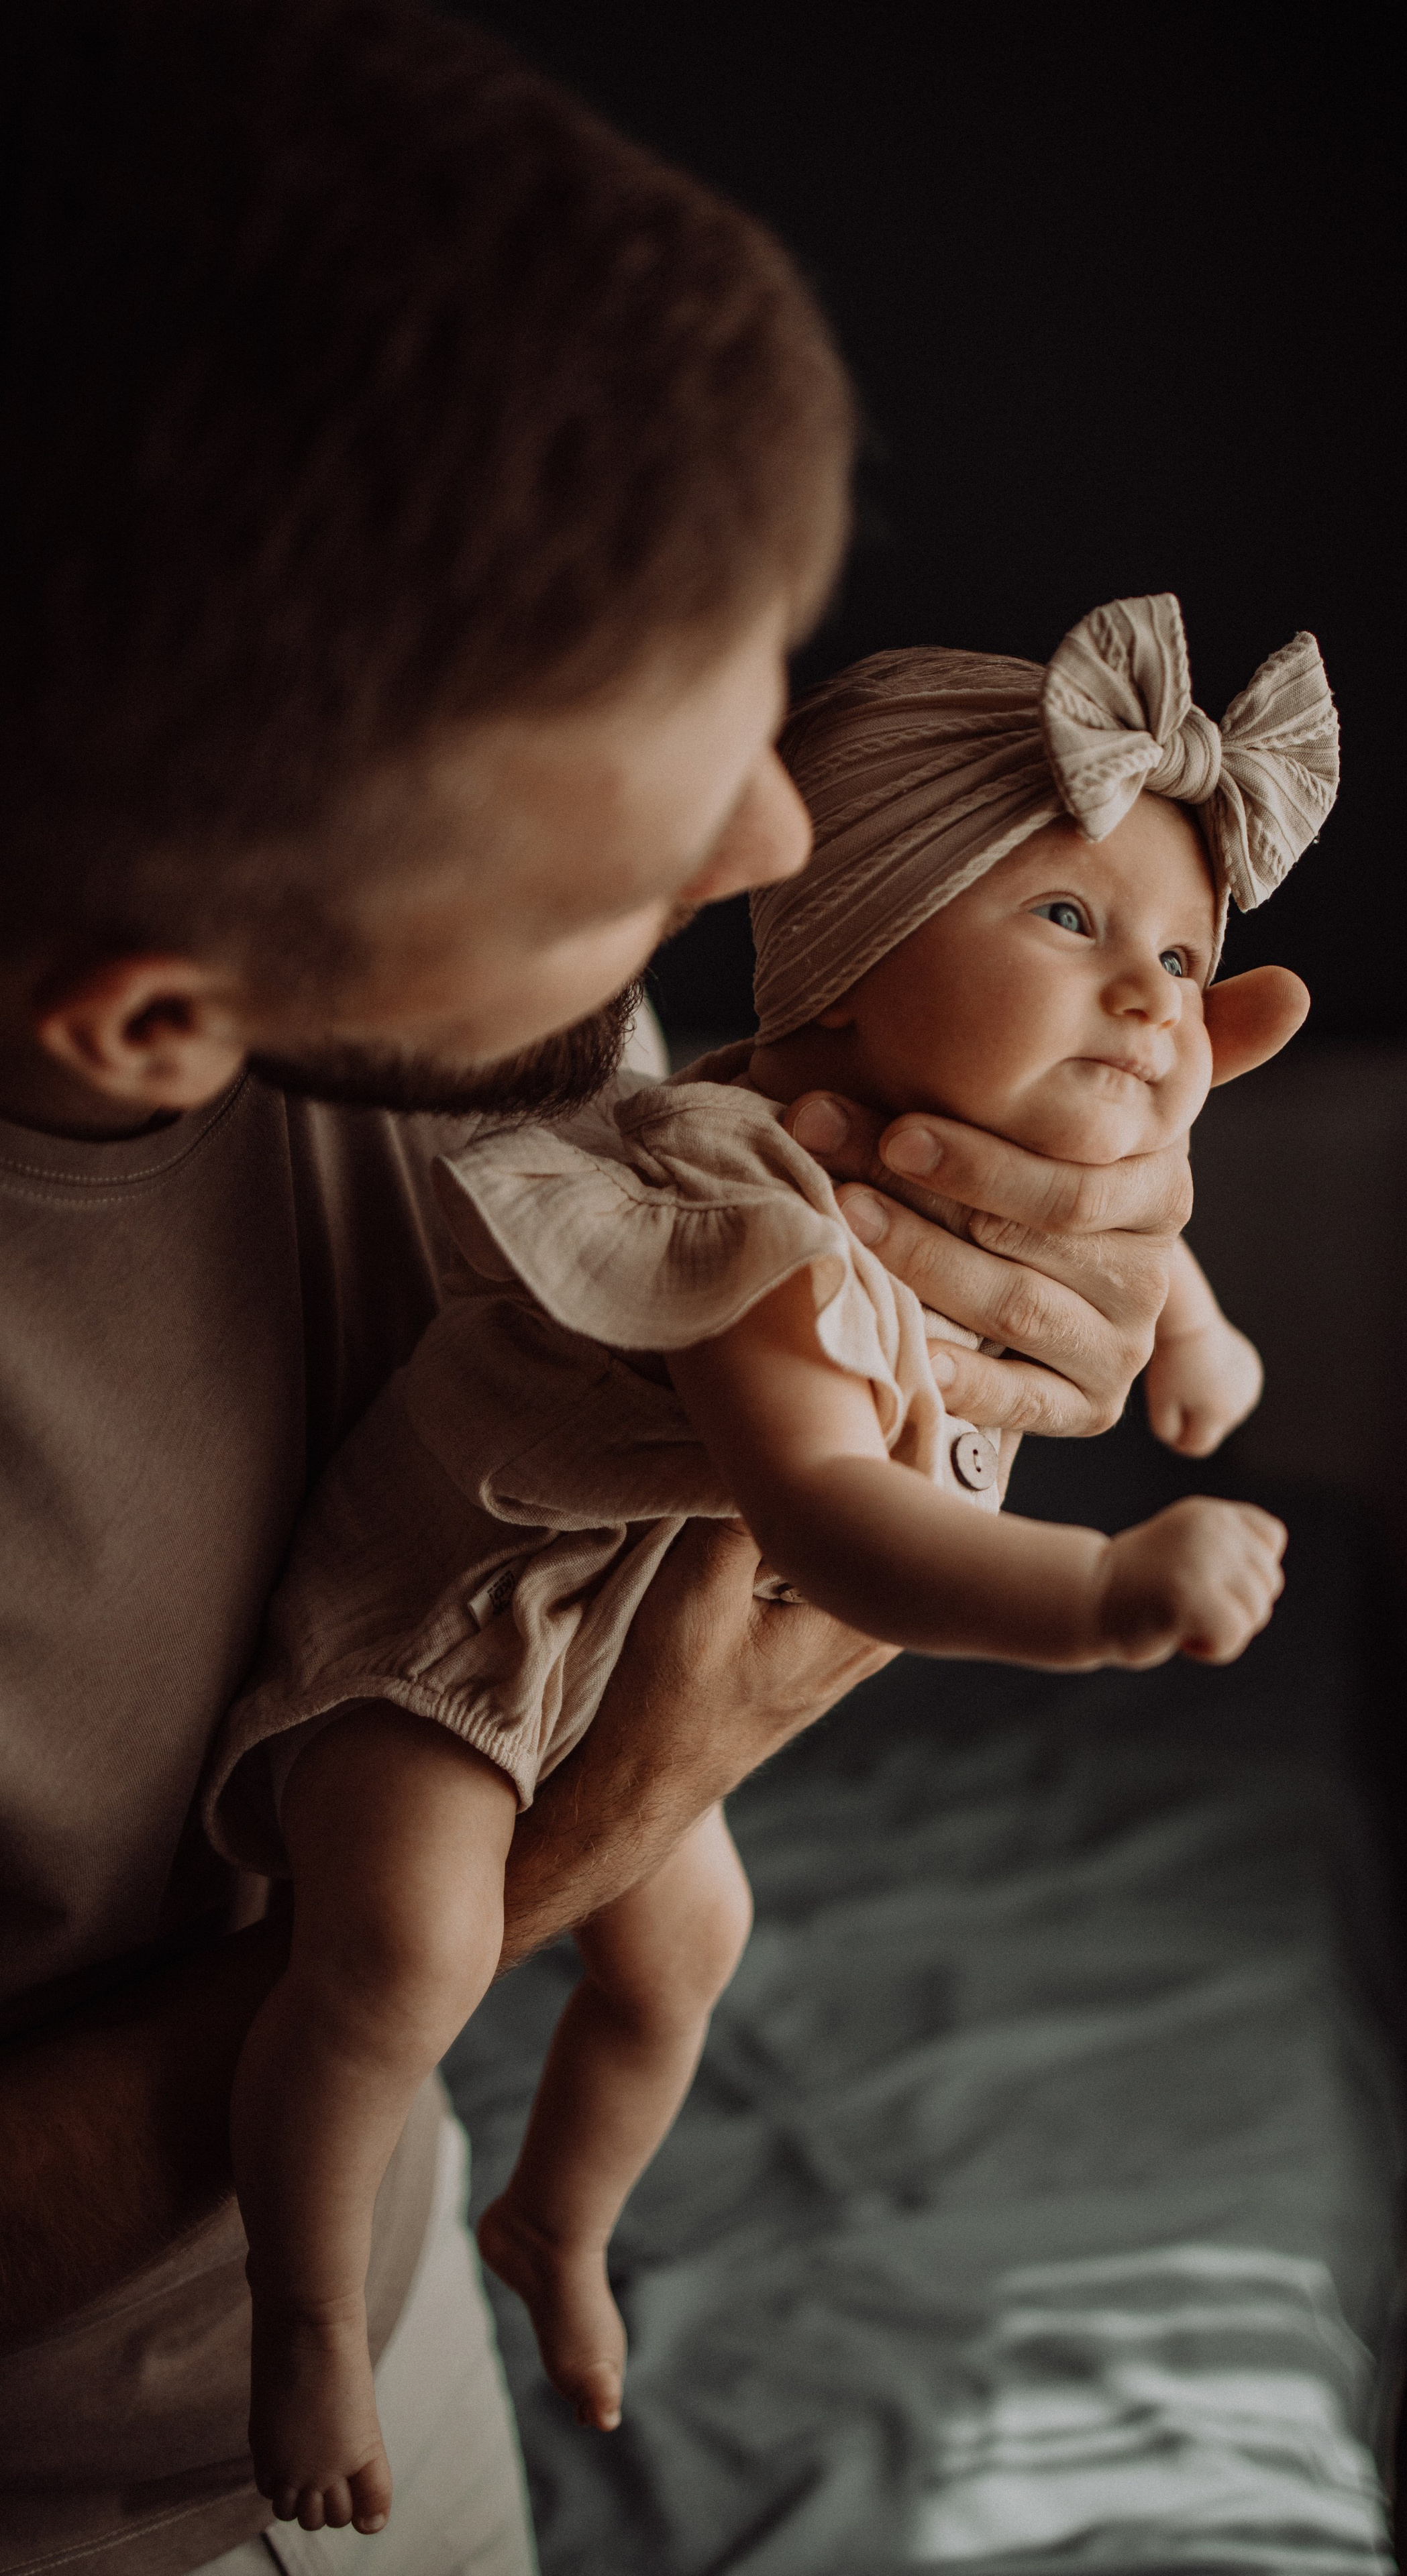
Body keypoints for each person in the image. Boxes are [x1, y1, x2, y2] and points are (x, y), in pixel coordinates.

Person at [0, 10, 1210, 2573]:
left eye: (757, 713)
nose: (776, 842)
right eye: (623, 862)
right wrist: (605, 1815)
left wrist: (1046, 1307)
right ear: (154, 1021)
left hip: (402, 2352)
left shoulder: (478, 962)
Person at [205, 592, 1331, 2531]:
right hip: (461, 1606)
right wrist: (1099, 1593)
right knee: (406, 1944)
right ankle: (303, 2315)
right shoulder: (740, 1192)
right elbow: (827, 1522)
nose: (1150, 1001)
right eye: (1068, 922)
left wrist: (1197, 1341)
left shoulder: (972, 1123)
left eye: (1177, 955)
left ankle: (557, 2217)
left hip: (624, 1624)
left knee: (688, 1954)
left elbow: (1150, 1240)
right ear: (849, 951)